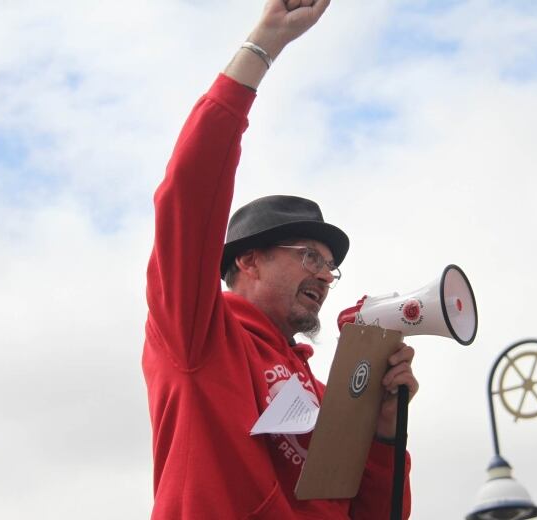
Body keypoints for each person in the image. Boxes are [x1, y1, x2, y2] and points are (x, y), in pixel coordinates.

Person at [142, 0, 419, 518]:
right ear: (249, 261)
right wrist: (264, 45)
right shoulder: (195, 333)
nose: (324, 274)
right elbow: (189, 192)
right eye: (308, 255)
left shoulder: (321, 394)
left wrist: (384, 430)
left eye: (330, 265)